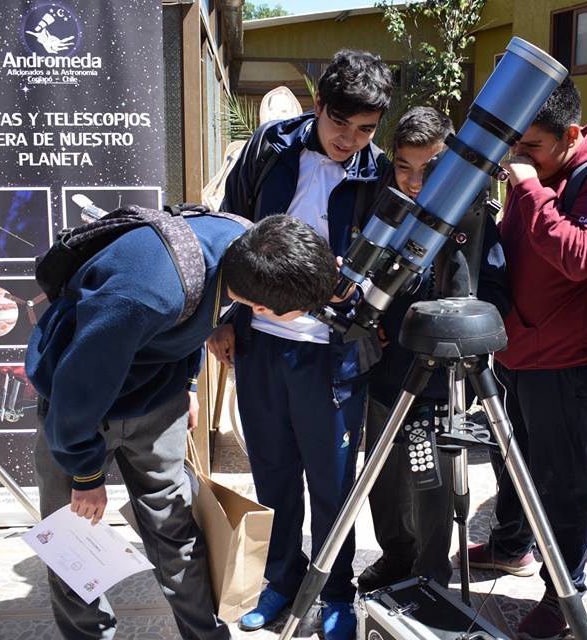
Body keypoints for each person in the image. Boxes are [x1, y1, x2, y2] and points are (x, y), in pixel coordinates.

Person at [26, 214, 340, 640]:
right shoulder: (144, 295)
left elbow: (197, 315)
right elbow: (75, 389)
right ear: (262, 308)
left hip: (156, 401)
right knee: (72, 539)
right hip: (78, 414)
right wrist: (85, 473)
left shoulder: (240, 250)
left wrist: (188, 385)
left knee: (175, 531)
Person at [208, 49, 392, 640]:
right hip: (261, 342)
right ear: (319, 106)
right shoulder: (269, 147)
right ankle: (281, 582)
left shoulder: (380, 170)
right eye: (341, 124)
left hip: (331, 352)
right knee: (274, 473)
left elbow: (395, 260)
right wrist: (225, 316)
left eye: (365, 129)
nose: (350, 140)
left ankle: (336, 592)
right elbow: (231, 231)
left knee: (333, 482)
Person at [459, 77, 587, 639]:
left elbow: (582, 255)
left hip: (566, 360)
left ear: (569, 134)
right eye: (516, 146)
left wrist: (531, 189)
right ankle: (513, 546)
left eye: (531, 146)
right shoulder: (545, 169)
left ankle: (565, 593)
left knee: (562, 479)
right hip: (519, 349)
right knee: (514, 460)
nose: (519, 158)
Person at [357, 106, 509, 593]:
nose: (417, 180)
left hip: (444, 382)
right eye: (405, 166)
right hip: (388, 372)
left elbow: (496, 293)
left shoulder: (474, 215)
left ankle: (429, 573)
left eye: (431, 167)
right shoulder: (386, 209)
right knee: (386, 477)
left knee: (433, 486)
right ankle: (395, 557)